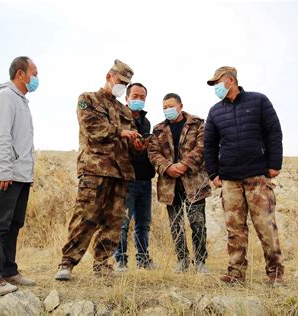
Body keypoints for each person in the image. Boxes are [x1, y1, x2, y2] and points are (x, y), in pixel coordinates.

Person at [55, 59, 142, 280]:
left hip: (120, 172)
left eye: (126, 82)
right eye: (120, 81)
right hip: (94, 169)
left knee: (113, 222)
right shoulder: (88, 100)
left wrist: (138, 143)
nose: (122, 85)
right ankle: (67, 263)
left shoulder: (124, 110)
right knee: (85, 217)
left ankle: (102, 264)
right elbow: (92, 128)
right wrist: (121, 133)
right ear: (109, 76)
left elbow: (130, 137)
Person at [204, 66, 285, 286]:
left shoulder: (259, 101)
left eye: (217, 83)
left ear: (230, 80)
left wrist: (274, 163)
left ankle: (275, 273)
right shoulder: (215, 112)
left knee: (266, 225)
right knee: (234, 229)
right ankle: (236, 272)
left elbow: (273, 132)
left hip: (257, 176)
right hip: (230, 179)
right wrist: (213, 173)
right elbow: (209, 145)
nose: (215, 88)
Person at [0, 56, 39, 295]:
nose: (37, 78)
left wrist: (27, 173)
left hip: (20, 175)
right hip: (6, 174)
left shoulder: (21, 101)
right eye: (34, 73)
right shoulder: (6, 96)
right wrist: (3, 170)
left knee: (14, 225)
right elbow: (0, 136)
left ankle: (9, 270)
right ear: (20, 73)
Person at [148, 93, 211, 273]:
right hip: (170, 184)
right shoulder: (158, 129)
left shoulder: (197, 124)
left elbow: (203, 147)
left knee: (198, 222)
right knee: (176, 224)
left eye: (170, 106)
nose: (167, 110)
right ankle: (182, 259)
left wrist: (184, 165)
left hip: (194, 182)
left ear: (180, 106)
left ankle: (200, 261)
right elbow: (152, 153)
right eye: (164, 107)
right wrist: (167, 167)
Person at [113, 83, 157, 272]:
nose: (139, 100)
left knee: (143, 223)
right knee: (123, 222)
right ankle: (120, 260)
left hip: (145, 179)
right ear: (127, 98)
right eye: (135, 96)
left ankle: (143, 259)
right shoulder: (119, 118)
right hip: (126, 178)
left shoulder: (146, 122)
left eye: (142, 97)